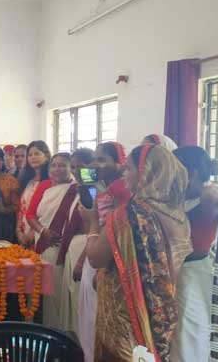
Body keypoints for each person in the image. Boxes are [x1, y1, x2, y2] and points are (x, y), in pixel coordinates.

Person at [84, 144, 192, 361]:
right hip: (161, 312)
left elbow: (95, 258)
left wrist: (93, 224)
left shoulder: (130, 215)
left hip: (125, 314)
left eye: (129, 169)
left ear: (147, 172)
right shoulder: (178, 215)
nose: (125, 173)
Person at [171, 146, 218, 362]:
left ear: (191, 173)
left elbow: (213, 194)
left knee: (188, 337)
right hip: (176, 274)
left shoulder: (207, 199)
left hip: (191, 276)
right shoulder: (179, 198)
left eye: (175, 169)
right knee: (176, 337)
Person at [76, 142, 131, 361]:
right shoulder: (101, 186)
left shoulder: (119, 188)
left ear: (119, 163)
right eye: (94, 160)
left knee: (96, 318)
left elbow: (116, 229)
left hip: (108, 258)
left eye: (102, 160)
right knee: (89, 317)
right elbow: (96, 223)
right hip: (95, 250)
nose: (96, 165)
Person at [25, 153, 81, 330]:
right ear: (49, 169)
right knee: (42, 288)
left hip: (65, 246)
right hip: (43, 243)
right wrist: (42, 231)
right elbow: (30, 215)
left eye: (63, 165)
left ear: (71, 167)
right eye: (54, 165)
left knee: (59, 290)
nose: (58, 169)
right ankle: (42, 327)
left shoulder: (76, 189)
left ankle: (59, 329)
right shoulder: (44, 186)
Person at [60, 148, 94, 336]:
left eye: (80, 166)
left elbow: (97, 226)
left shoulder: (92, 189)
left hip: (86, 248)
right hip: (74, 247)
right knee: (74, 298)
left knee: (83, 302)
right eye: (72, 166)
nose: (75, 171)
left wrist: (82, 260)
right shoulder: (79, 187)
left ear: (91, 167)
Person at [16, 140, 51, 247]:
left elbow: (48, 212)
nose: (32, 157)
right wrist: (18, 231)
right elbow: (21, 208)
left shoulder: (51, 182)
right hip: (23, 233)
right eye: (30, 155)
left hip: (41, 233)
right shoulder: (28, 181)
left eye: (37, 154)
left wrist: (33, 234)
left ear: (46, 156)